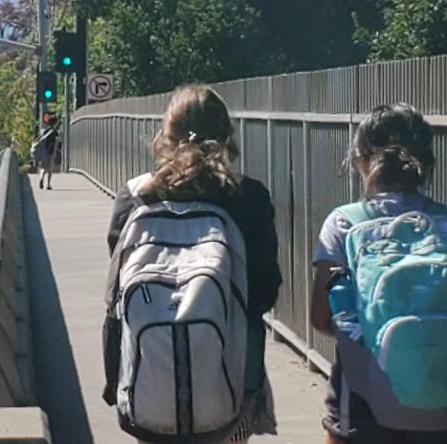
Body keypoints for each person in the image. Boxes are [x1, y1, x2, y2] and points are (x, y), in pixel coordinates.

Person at [104, 84, 282, 444]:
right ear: (227, 135)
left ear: (165, 134)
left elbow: (117, 293)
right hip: (230, 385)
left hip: (149, 383)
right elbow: (264, 292)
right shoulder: (248, 197)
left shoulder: (135, 197)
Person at [310, 103, 447, 444]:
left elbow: (321, 318)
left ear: (359, 158)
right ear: (426, 162)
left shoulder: (345, 223)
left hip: (361, 406)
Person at [32, 115, 61, 190]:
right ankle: (48, 184)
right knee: (50, 168)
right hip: (51, 152)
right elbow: (57, 141)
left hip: (43, 151)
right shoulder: (54, 132)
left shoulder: (44, 131)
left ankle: (41, 177)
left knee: (43, 167)